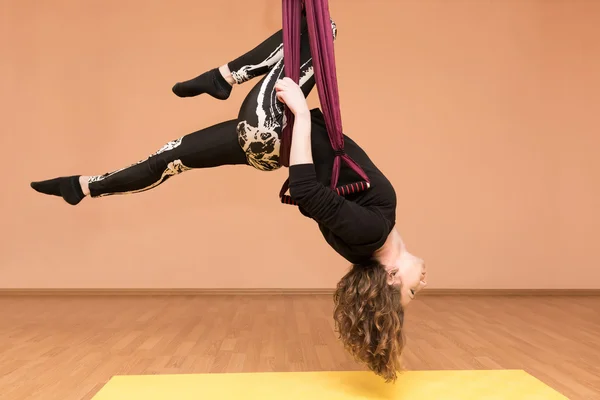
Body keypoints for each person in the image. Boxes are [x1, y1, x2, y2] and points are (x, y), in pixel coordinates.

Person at [29, 14, 427, 382]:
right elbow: (320, 193)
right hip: (267, 146)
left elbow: (307, 192)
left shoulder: (372, 233)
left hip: (271, 128)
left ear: (391, 277)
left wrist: (302, 117)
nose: (421, 284)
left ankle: (224, 77)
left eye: (410, 291)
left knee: (324, 30)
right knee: (170, 158)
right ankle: (83, 187)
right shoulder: (359, 242)